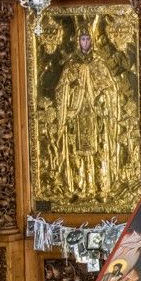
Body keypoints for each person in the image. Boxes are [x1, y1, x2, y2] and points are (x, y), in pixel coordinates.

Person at [54, 30, 121, 203]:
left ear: (92, 40)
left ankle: (100, 188)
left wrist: (101, 95)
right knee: (76, 153)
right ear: (77, 41)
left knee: (99, 151)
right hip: (76, 113)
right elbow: (61, 88)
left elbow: (111, 88)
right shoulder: (71, 65)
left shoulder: (99, 63)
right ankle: (80, 188)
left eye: (87, 39)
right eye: (82, 39)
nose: (85, 42)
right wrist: (72, 87)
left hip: (95, 114)